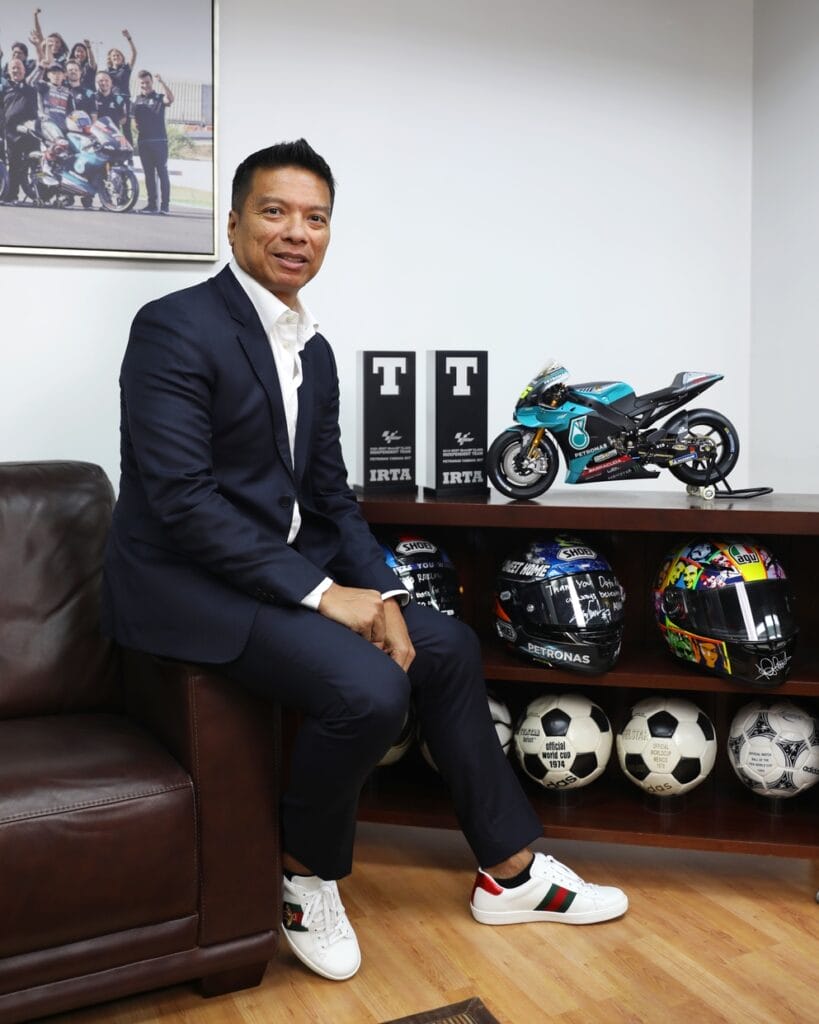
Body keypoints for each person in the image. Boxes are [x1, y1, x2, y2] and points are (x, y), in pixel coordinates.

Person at [102, 139, 628, 984]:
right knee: (368, 689)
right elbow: (182, 501)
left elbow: (329, 495)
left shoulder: (312, 351)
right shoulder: (172, 327)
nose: (296, 233)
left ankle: (509, 871)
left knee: (446, 644)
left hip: (270, 575)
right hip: (183, 588)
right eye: (275, 212)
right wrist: (322, 593)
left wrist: (384, 591)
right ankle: (303, 876)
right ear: (233, 223)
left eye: (315, 218)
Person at [131, 69, 173, 214]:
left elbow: (170, 99)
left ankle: (165, 206)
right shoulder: (136, 100)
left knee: (162, 173)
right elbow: (133, 119)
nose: (145, 85)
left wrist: (162, 82)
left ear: (152, 82)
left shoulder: (159, 97)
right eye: (142, 83)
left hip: (159, 141)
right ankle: (151, 205)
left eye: (147, 82)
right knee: (148, 175)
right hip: (143, 142)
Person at [0, 57, 37, 202]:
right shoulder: (4, 89)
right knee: (14, 164)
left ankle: (42, 194)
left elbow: (40, 70)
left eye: (19, 67)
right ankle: (12, 195)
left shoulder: (31, 86)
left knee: (36, 163)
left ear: (24, 70)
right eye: (13, 68)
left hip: (31, 130)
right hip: (11, 132)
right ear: (8, 72)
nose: (16, 70)